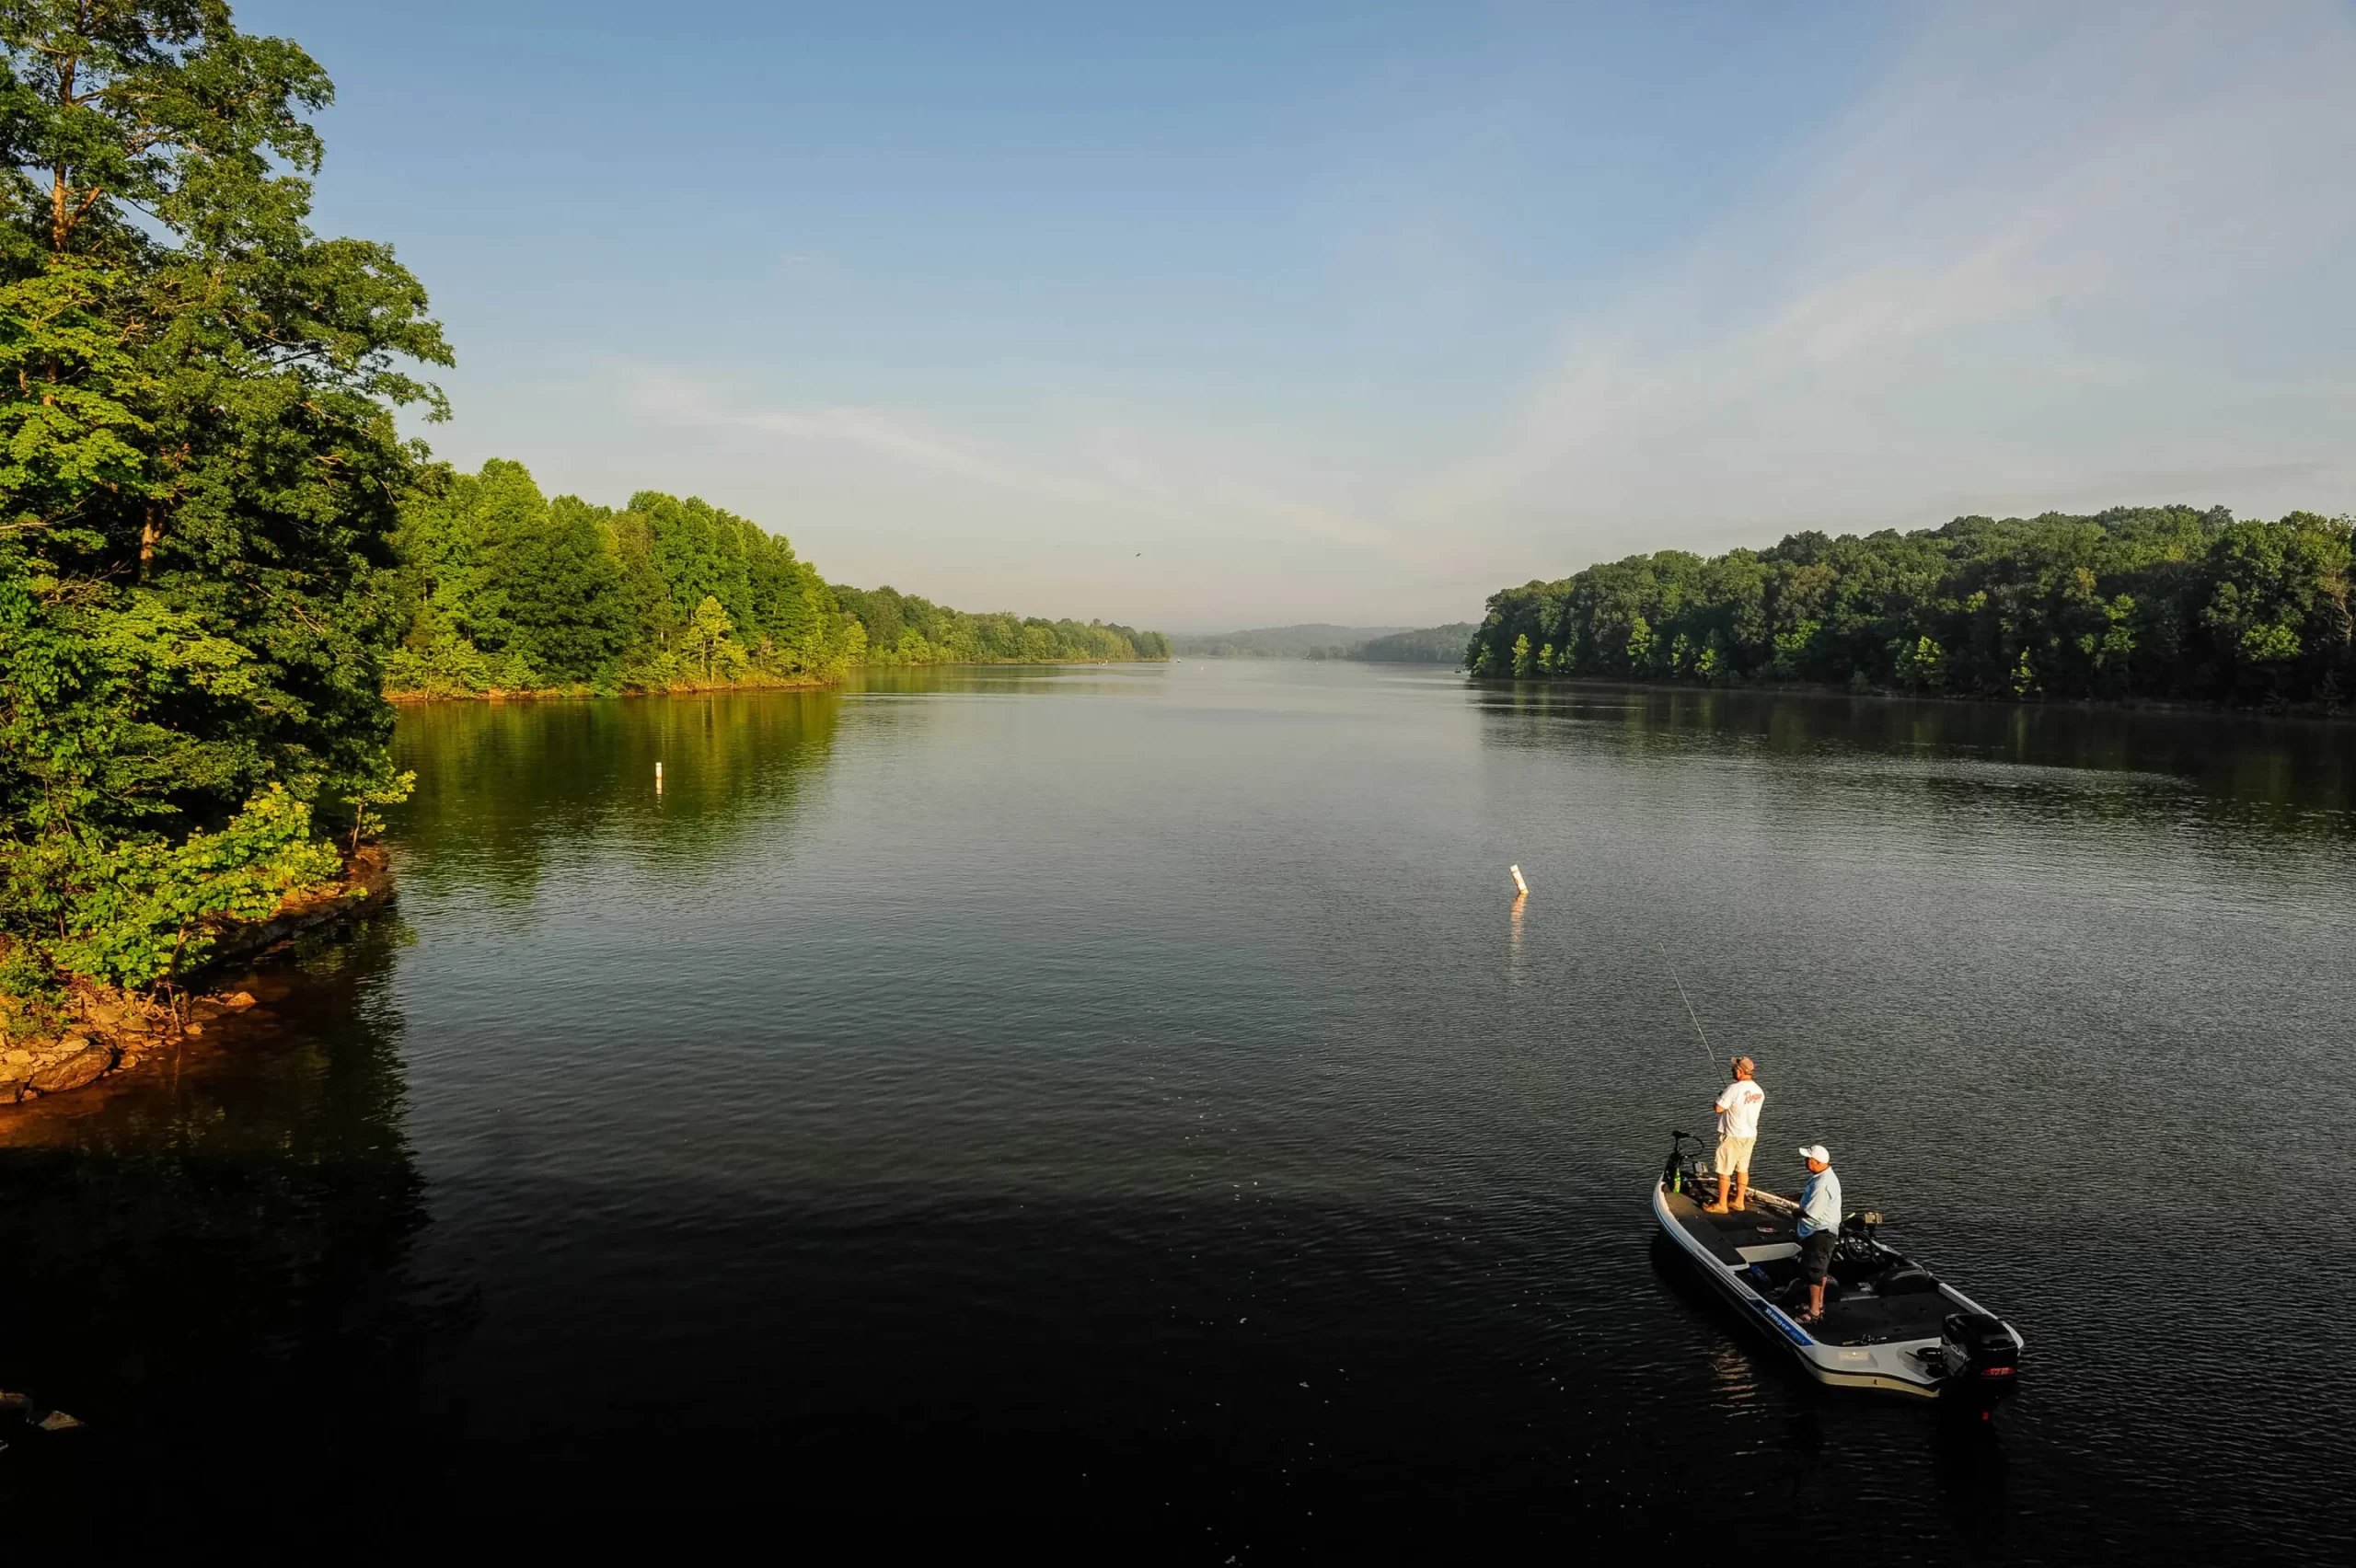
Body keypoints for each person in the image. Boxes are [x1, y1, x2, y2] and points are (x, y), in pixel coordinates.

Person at [1702, 1056, 1764, 1214]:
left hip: (1732, 1136)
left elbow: (1718, 1108)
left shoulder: (1733, 1089)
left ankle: (1722, 1204)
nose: (1732, 1071)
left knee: (1724, 1170)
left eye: (1733, 1069)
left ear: (1740, 1071)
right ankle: (1739, 1201)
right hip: (1749, 1135)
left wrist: (1721, 1096)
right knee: (1743, 1169)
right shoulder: (1759, 1091)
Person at [1794, 1144, 1843, 1327]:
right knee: (1820, 1271)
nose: (1805, 1161)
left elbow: (1811, 1212)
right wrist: (1794, 1197)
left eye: (1808, 1158)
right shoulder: (1823, 1177)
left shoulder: (1822, 1183)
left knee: (1814, 1272)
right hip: (1822, 1233)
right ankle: (1818, 1305)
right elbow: (1811, 1196)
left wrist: (1793, 1212)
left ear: (1816, 1161)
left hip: (1818, 1233)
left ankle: (1814, 1312)